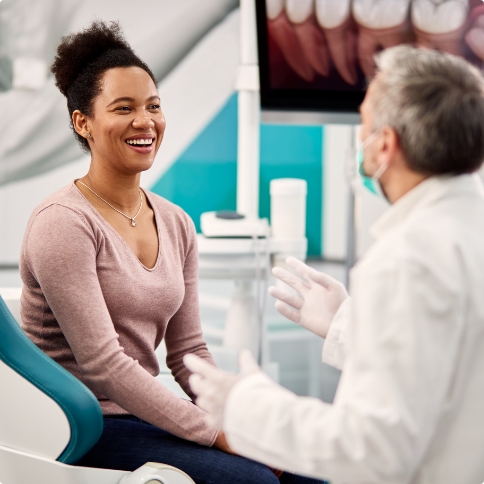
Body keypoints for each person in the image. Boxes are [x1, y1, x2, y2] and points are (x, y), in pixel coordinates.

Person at [19, 20, 324, 484]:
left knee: (309, 470)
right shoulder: (63, 223)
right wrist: (216, 433)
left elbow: (188, 351)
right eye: (123, 108)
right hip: (79, 425)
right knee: (254, 481)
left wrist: (236, 415)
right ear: (84, 122)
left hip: (144, 414)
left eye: (153, 106)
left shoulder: (176, 221)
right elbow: (104, 365)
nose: (145, 121)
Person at [184, 45, 484, 483]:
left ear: (384, 145)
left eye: (363, 124)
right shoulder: (467, 228)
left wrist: (248, 406)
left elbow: (372, 449)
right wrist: (350, 326)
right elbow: (450, 368)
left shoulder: (408, 257)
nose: (358, 140)